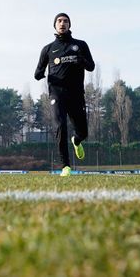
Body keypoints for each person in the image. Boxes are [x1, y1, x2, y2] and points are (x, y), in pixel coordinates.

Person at [34, 13, 95, 177]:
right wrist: (40, 75)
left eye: (65, 21)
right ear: (55, 25)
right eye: (59, 21)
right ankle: (65, 166)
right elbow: (38, 72)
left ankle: (77, 140)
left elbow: (91, 66)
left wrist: (81, 61)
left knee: (83, 132)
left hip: (76, 94)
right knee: (60, 127)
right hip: (57, 94)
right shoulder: (48, 49)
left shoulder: (80, 45)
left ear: (69, 25)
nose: (62, 23)